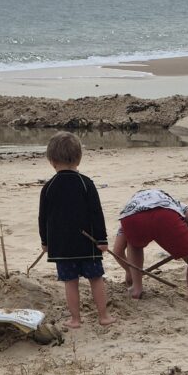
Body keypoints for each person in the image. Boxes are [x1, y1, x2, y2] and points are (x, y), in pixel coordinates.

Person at [38, 131, 115, 328]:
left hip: (62, 247)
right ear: (79, 159)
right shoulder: (86, 183)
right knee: (96, 279)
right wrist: (102, 239)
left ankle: (75, 319)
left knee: (70, 283)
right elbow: (96, 213)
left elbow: (43, 218)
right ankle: (103, 316)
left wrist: (45, 242)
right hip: (88, 244)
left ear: (52, 161)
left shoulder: (49, 187)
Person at [112, 189, 188, 304]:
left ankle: (136, 288)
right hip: (165, 214)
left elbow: (117, 251)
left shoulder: (131, 208)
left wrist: (130, 271)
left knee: (134, 243)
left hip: (132, 219)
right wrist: (183, 246)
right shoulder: (168, 200)